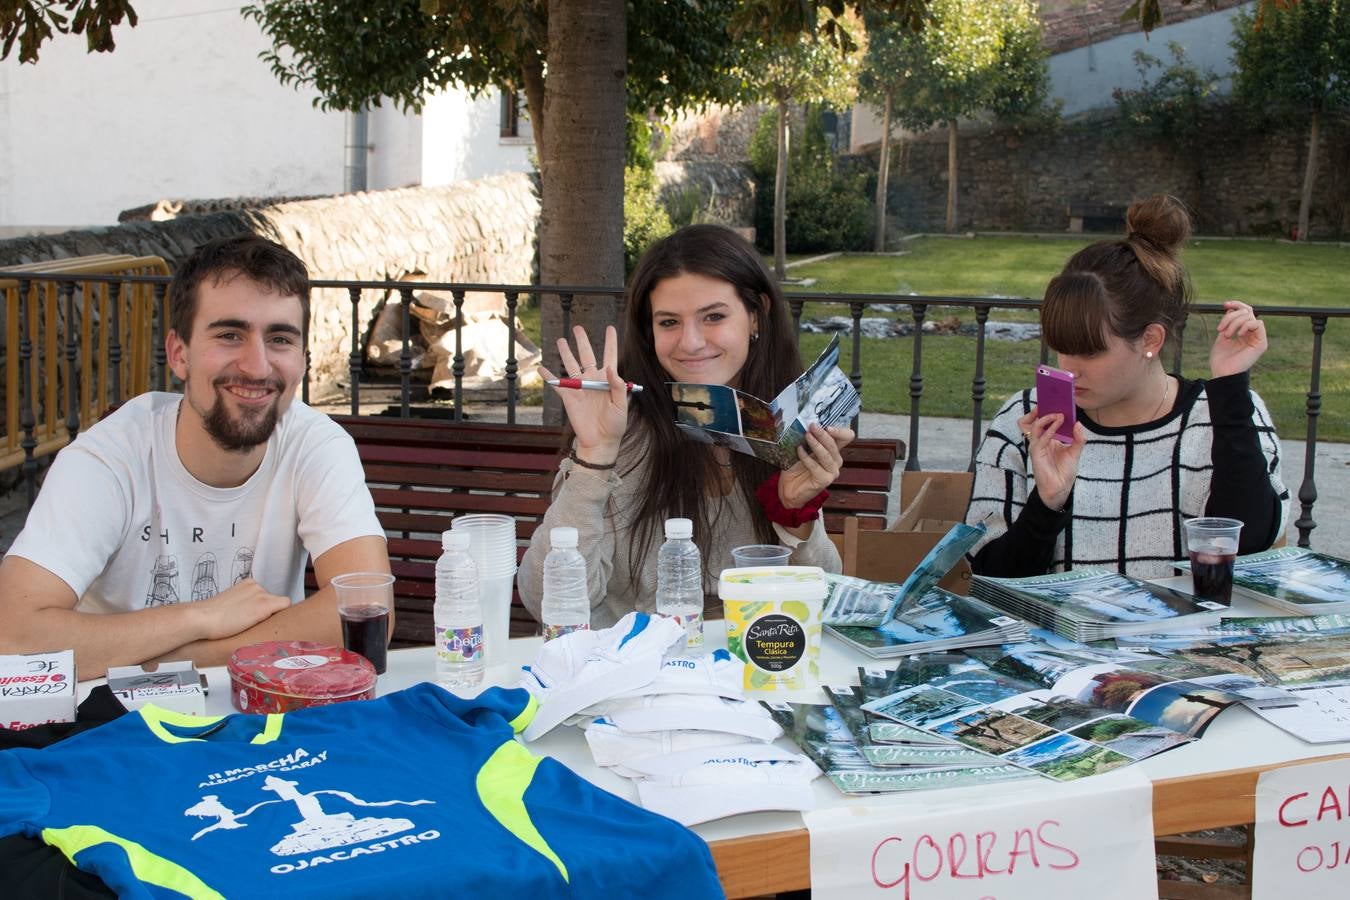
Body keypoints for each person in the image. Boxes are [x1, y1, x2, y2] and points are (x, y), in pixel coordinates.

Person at [0, 235, 390, 677]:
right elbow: (12, 636)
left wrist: (157, 659)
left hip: (255, 716)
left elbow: (366, 609)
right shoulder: (108, 458)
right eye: (229, 335)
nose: (257, 366)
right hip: (115, 723)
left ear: (303, 359)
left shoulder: (316, 445)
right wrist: (201, 616)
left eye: (280, 338)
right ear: (179, 354)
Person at [517, 225, 852, 628]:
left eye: (713, 316)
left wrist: (796, 513)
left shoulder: (784, 426)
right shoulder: (620, 426)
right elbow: (543, 601)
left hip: (752, 668)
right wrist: (594, 457)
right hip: (634, 675)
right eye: (669, 322)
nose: (690, 342)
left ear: (756, 315)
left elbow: (826, 595)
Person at [965, 195, 1288, 578]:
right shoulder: (1025, 421)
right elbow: (987, 578)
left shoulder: (1222, 413)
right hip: (1061, 635)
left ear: (1151, 340)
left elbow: (1252, 548)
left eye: (1090, 352)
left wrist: (1231, 387)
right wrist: (1047, 503)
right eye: (1060, 350)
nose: (1069, 371)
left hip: (1187, 637)